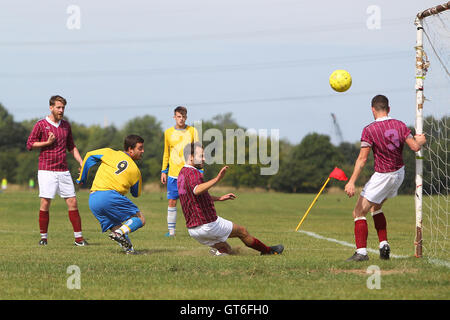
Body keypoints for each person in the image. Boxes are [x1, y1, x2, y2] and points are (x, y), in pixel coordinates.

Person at [344, 95, 426, 261]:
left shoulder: (370, 130)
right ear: (388, 109)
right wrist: (421, 140)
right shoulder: (400, 124)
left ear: (373, 110)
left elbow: (362, 159)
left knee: (358, 212)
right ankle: (383, 245)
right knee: (376, 208)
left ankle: (361, 253)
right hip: (399, 174)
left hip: (383, 175)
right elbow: (415, 146)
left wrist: (351, 181)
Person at [177, 142, 284, 256]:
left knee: (226, 249)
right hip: (207, 224)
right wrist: (217, 179)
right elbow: (197, 190)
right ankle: (268, 251)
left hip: (193, 230)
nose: (204, 159)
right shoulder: (193, 173)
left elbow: (194, 197)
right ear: (191, 157)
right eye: (201, 156)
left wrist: (219, 198)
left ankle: (219, 256)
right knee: (242, 231)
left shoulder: (182, 174)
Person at [26, 95, 87, 246]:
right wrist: (47, 142)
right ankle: (43, 238)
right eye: (58, 107)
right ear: (51, 108)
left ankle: (79, 239)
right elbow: (29, 144)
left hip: (63, 170)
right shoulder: (41, 125)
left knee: (72, 201)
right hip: (46, 170)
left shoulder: (66, 125)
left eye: (63, 108)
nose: (61, 110)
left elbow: (71, 146)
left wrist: (82, 162)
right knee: (45, 203)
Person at [76, 135, 146, 254]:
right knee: (140, 219)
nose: (142, 151)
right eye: (140, 148)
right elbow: (136, 194)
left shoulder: (109, 153)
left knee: (115, 226)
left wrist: (82, 178)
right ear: (130, 149)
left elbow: (89, 155)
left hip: (93, 199)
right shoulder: (136, 171)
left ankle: (129, 250)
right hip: (110, 196)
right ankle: (119, 233)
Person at [161, 106, 199, 237]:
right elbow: (166, 152)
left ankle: (195, 229)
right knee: (172, 201)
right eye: (179, 116)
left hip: (188, 172)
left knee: (192, 201)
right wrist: (163, 171)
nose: (181, 119)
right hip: (173, 173)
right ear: (174, 117)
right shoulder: (168, 132)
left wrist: (200, 170)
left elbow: (198, 150)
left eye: (183, 116)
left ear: (186, 117)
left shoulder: (193, 131)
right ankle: (171, 232)